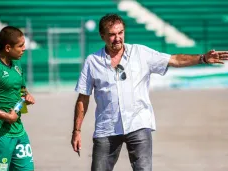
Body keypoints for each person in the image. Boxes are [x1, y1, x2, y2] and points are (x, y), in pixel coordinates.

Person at [71, 14, 228, 171]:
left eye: (120, 33)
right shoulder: (92, 62)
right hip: (107, 128)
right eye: (112, 34)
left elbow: (174, 60)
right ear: (102, 35)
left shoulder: (141, 53)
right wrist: (76, 131)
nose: (117, 38)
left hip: (138, 124)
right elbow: (83, 98)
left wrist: (202, 58)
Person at [0, 26, 35, 171]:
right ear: (8, 47)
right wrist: (7, 116)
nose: (24, 48)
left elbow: (21, 90)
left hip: (19, 131)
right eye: (20, 45)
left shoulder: (17, 64)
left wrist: (27, 96)